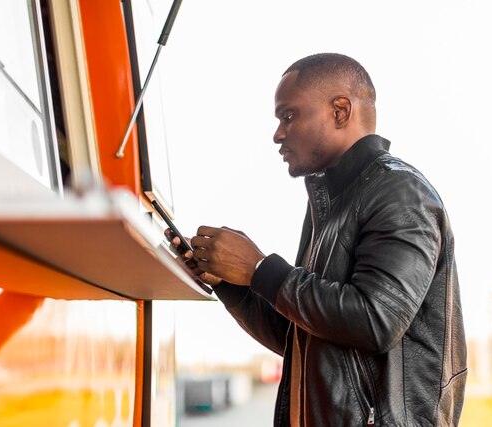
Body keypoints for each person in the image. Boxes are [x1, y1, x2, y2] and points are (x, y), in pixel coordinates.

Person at [168, 53, 467, 426]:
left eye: (288, 116)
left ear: (340, 111)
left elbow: (376, 320)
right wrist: (232, 283)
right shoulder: (328, 207)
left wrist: (260, 268)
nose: (278, 133)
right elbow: (303, 340)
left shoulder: (399, 191)